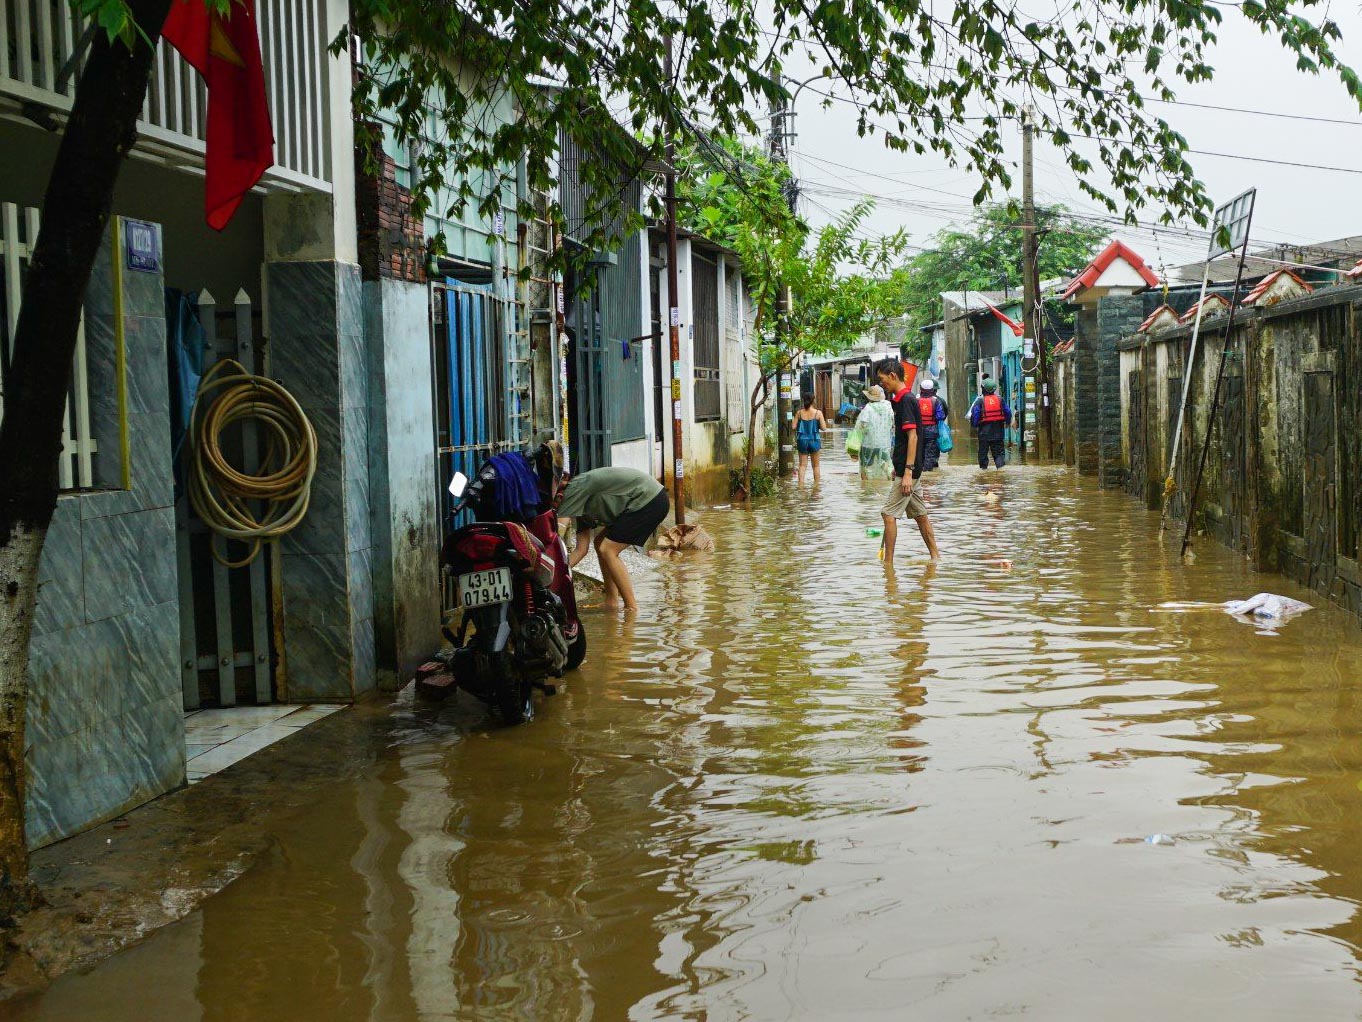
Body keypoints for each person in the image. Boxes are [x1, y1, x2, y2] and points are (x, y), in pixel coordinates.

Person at [560, 466, 670, 611]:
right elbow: (581, 550)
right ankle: (611, 601)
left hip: (650, 499)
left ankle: (631, 608)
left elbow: (557, 533)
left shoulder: (575, 488)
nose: (556, 508)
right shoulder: (578, 505)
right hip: (647, 500)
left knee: (608, 549)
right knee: (600, 543)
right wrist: (560, 574)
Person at [875, 358, 940, 562]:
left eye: (882, 379)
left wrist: (908, 472)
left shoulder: (906, 401)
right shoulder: (902, 400)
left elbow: (913, 437)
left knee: (888, 514)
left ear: (893, 376)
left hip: (909, 471)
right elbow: (904, 439)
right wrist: (899, 466)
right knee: (920, 515)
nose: (881, 384)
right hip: (907, 468)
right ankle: (935, 558)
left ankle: (888, 565)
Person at [968, 378, 1012, 470]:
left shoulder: (980, 401)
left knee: (983, 453)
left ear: (984, 389)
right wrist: (1007, 422)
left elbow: (975, 415)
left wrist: (974, 427)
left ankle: (983, 472)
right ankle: (1001, 471)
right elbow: (1008, 412)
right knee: (999, 453)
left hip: (984, 432)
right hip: (998, 431)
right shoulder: (1000, 399)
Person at [853, 385, 894, 480]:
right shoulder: (888, 407)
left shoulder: (868, 408)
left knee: (865, 467)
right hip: (884, 444)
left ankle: (866, 488)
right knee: (886, 465)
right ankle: (890, 486)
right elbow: (892, 423)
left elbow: (860, 426)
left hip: (868, 444)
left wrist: (854, 444)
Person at [794, 394, 828, 486]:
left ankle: (801, 486)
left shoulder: (799, 413)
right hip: (814, 440)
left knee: (802, 465)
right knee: (816, 466)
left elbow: (793, 426)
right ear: (813, 401)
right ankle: (816, 487)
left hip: (802, 440)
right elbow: (824, 428)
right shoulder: (818, 413)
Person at [916, 379, 949, 471]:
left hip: (918, 432)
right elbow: (941, 416)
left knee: (920, 453)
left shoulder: (916, 400)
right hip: (932, 432)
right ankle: (928, 474)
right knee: (930, 454)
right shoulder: (937, 401)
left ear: (921, 389)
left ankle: (921, 474)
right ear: (932, 390)